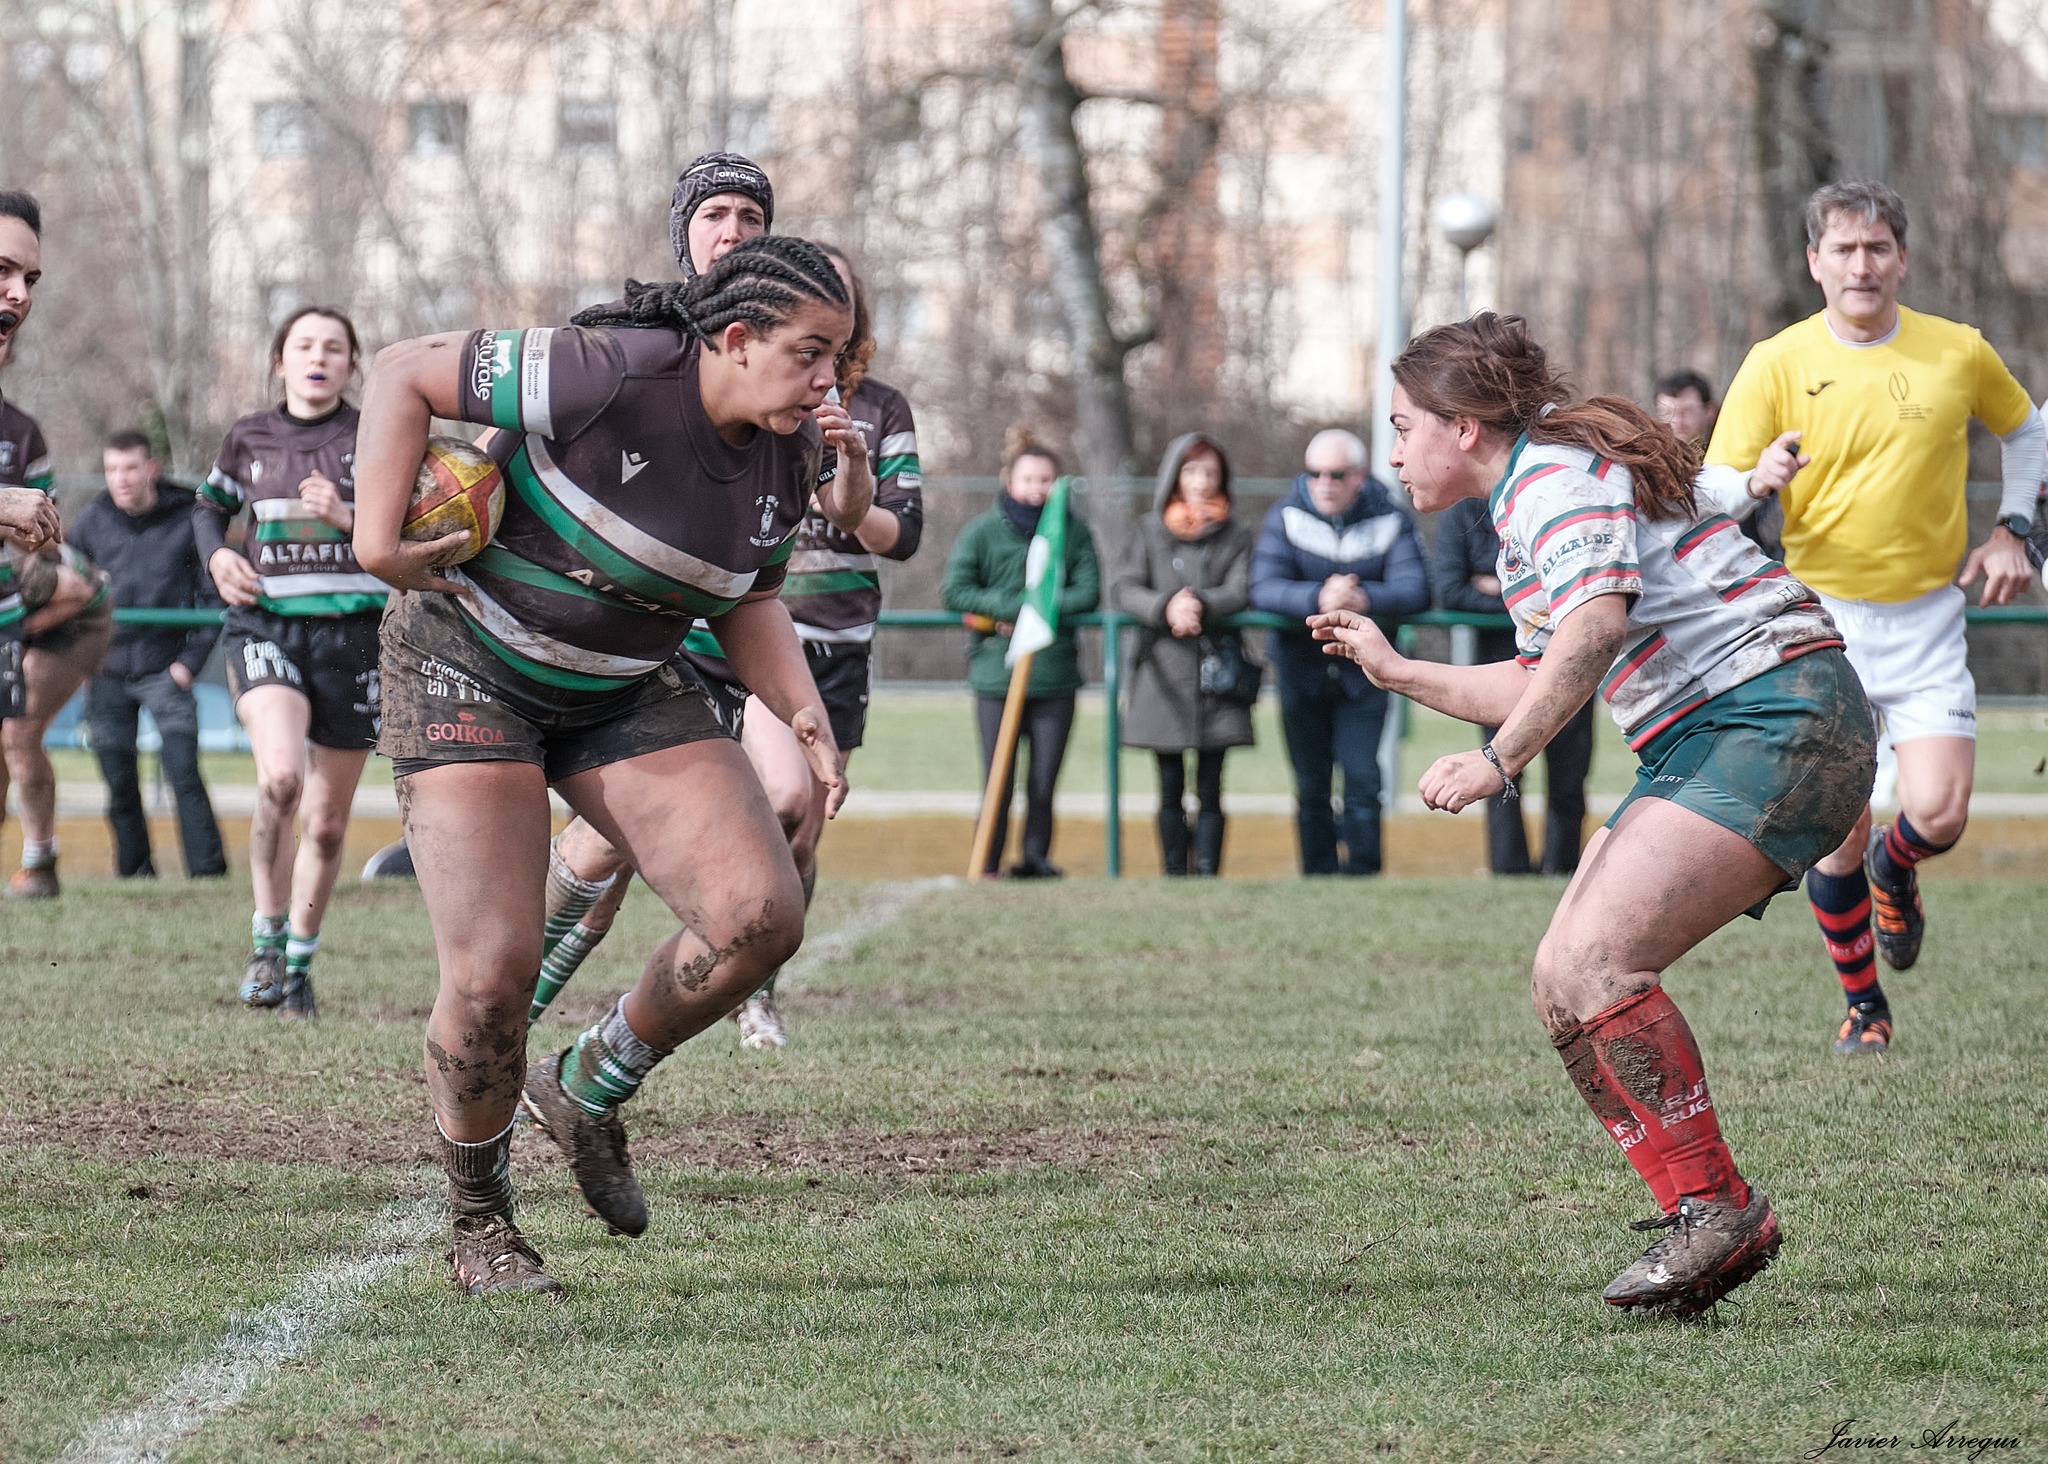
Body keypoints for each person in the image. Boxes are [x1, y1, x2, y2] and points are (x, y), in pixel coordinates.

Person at [1315, 312, 1872, 1316]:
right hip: (1727, 724)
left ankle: (1717, 1209)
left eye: (1402, 426)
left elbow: (1595, 627)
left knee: (1594, 966)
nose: (1391, 451)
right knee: (1556, 983)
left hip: (1773, 711)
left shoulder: (1549, 478)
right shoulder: (1532, 486)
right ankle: (1700, 1223)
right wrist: (1394, 669)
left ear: (1463, 427)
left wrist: (1499, 762)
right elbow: (1542, 668)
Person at [353, 236, 869, 1294]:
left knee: (759, 917)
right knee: (493, 976)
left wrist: (803, 714)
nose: (831, 381)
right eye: (812, 353)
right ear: (735, 337)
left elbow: (746, 596)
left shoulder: (790, 451)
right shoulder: (607, 367)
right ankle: (480, 1222)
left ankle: (587, 1087)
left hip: (627, 679)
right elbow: (402, 368)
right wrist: (375, 542)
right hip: (468, 668)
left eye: (840, 355)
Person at [522, 157, 890, 1055]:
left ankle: (739, 987)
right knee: (607, 853)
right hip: (620, 644)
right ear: (683, 230)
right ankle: (513, 1008)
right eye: (715, 213)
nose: (733, 229)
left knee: (793, 801)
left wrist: (846, 459)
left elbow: (843, 523)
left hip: (737, 631)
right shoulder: (629, 344)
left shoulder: (806, 384)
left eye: (750, 216)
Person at [1702, 180, 2047, 1058]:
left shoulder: (1957, 352)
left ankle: (1900, 872)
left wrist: (2015, 530)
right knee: (1839, 827)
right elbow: (1707, 489)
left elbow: (2030, 433)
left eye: (1878, 248)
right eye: (1844, 250)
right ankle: (1865, 1007)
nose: (1863, 265)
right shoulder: (1776, 361)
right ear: (1815, 262)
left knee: (1938, 813)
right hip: (1821, 621)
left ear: (1904, 258)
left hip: (1928, 616)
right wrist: (1752, 484)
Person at [197, 306, 386, 1019]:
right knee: (280, 779)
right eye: (304, 345)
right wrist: (217, 554)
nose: (319, 356)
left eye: (334, 347)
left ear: (351, 364)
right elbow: (205, 508)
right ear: (280, 360)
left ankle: (300, 966)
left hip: (356, 640)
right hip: (266, 626)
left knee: (329, 821)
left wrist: (349, 516)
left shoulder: (375, 433)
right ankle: (266, 941)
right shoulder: (249, 434)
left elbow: (421, 523)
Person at [1249, 428, 1427, 875]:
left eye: (1336, 473)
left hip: (1365, 672)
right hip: (1300, 669)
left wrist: (1364, 599)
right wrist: (1319, 597)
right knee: (1311, 783)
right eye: (1314, 473)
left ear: (1360, 477)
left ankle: (1364, 873)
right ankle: (1318, 873)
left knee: (1362, 777)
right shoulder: (1286, 515)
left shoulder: (1391, 517)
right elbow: (1263, 587)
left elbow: (1417, 589)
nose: (1323, 482)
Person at [942, 427, 1101, 878]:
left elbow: (1088, 592)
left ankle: (1034, 860)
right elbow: (956, 590)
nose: (1037, 489)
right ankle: (986, 864)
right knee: (998, 779)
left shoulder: (1074, 531)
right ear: (1009, 480)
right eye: (1029, 479)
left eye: (1046, 479)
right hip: (996, 677)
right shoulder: (982, 532)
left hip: (1055, 678)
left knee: (1043, 782)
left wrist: (1041, 611)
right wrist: (1011, 608)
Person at [70, 430, 227, 879]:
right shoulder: (92, 521)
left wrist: (187, 665)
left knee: (184, 775)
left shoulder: (186, 517)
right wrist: (81, 661)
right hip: (106, 669)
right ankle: (135, 876)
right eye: (112, 469)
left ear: (151, 469)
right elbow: (71, 593)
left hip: (167, 671)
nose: (121, 479)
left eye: (131, 468)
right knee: (119, 783)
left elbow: (213, 597)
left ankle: (208, 876)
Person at [1112, 433, 1255, 875]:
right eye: (1192, 471)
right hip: (1161, 671)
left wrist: (1201, 605)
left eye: (1211, 472)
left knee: (1212, 784)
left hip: (1218, 674)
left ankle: (1209, 870)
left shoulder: (1237, 533)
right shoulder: (1148, 529)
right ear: (1174, 474)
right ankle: (1174, 869)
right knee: (1168, 783)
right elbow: (1124, 586)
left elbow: (1241, 587)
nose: (1201, 482)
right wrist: (1165, 607)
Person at [0, 191, 89, 891]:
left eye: (29, 279)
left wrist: (36, 538)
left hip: (61, 615)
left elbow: (56, 563)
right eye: (2, 269)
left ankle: (40, 860)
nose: (17, 295)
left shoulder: (21, 430)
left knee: (17, 736)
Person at [1431, 493, 1593, 875]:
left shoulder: (1546, 497)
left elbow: (1577, 587)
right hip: (1497, 669)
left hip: (1566, 662)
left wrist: (1493, 587)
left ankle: (1562, 868)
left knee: (1569, 775)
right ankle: (1509, 870)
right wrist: (1531, 596)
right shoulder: (1463, 511)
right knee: (1500, 770)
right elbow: (1451, 591)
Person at [1657, 368, 1784, 560]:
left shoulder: (1738, 452)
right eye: (1665, 412)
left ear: (1710, 411)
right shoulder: (1653, 462)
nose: (1675, 422)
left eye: (1685, 412)